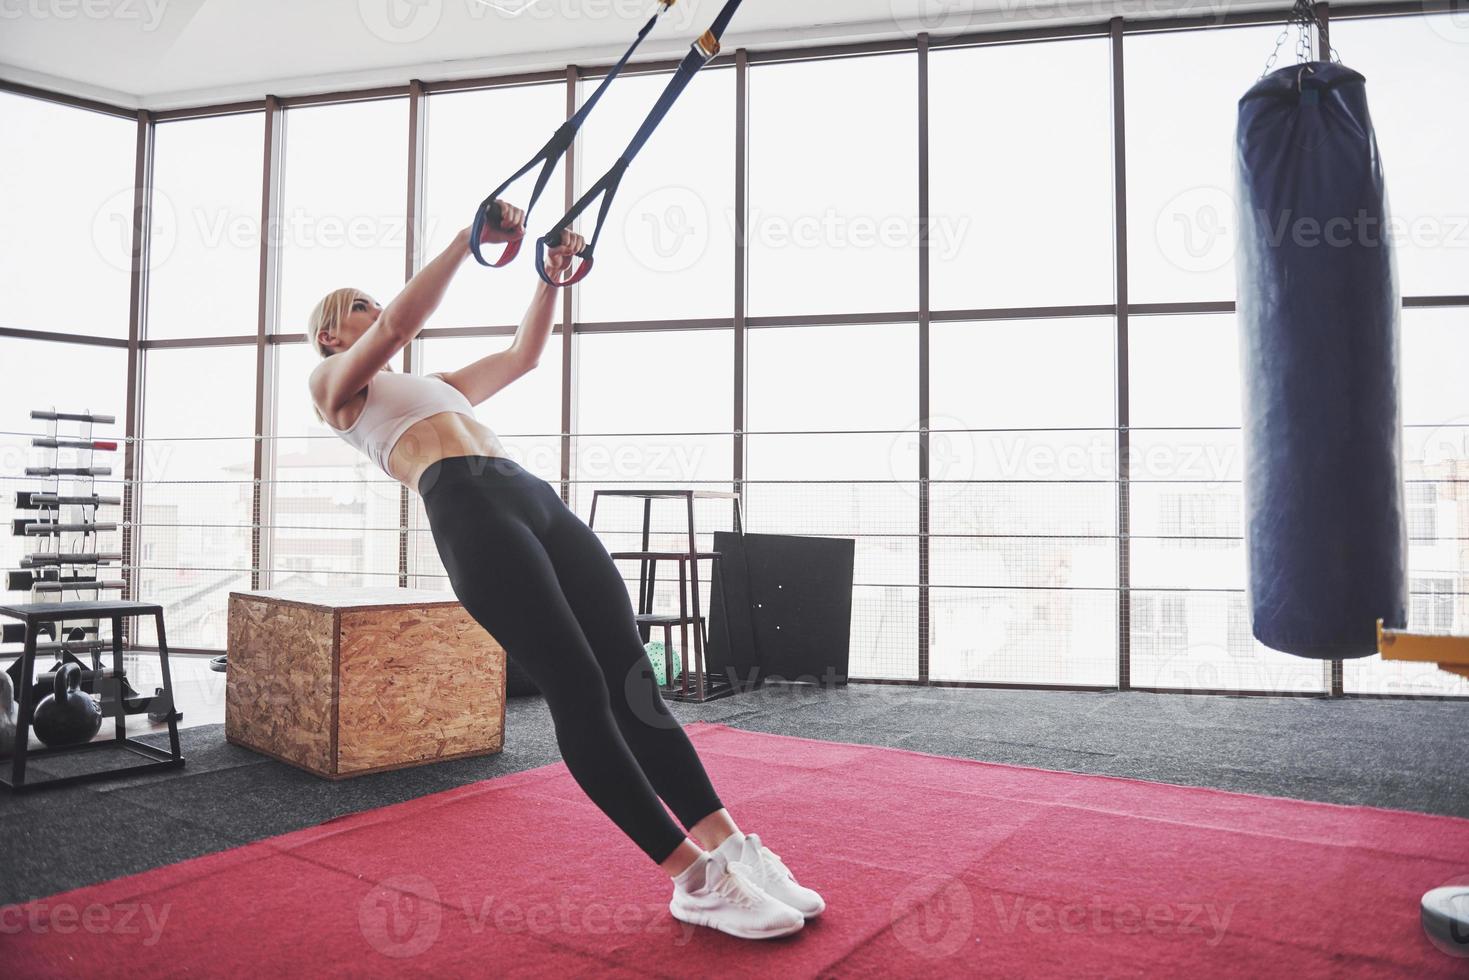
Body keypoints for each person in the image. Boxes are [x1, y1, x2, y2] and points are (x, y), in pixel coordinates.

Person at [306, 202, 824, 941]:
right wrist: (467, 243)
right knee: (577, 686)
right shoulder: (333, 388)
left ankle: (730, 846)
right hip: (469, 510)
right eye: (360, 305)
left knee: (630, 680)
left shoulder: (439, 385)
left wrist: (549, 279)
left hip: (532, 499)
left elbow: (522, 356)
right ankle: (694, 880)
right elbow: (396, 328)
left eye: (373, 301)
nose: (377, 309)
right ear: (331, 333)